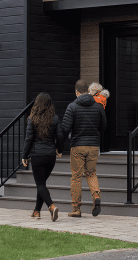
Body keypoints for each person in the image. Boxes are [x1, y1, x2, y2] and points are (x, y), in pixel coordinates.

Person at [58, 79, 106, 217]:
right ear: (88, 91)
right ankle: (96, 197)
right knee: (91, 174)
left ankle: (76, 209)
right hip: (93, 146)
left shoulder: (72, 107)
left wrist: (58, 145)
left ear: (77, 92)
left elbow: (65, 129)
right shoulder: (98, 107)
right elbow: (103, 127)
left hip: (78, 146)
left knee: (76, 177)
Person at [21, 92, 61, 221]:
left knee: (40, 184)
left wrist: (24, 155)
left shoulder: (32, 119)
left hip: (37, 156)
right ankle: (37, 211)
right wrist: (59, 149)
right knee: (41, 184)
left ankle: (51, 206)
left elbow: (28, 139)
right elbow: (60, 136)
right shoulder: (55, 118)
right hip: (50, 156)